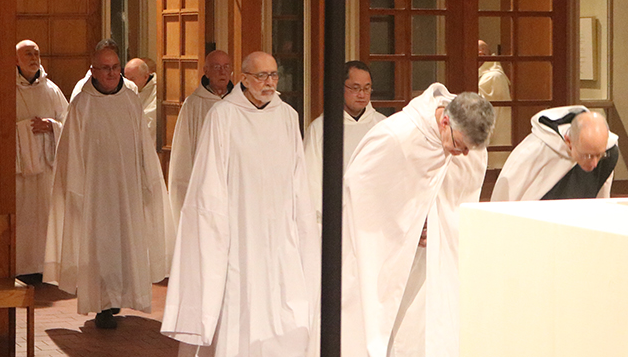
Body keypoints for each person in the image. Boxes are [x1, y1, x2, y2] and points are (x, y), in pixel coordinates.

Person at [161, 51, 320, 357]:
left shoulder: (287, 116)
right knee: (240, 299)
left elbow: (298, 177)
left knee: (284, 304)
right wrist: (217, 231)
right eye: (261, 76)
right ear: (244, 79)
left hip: (279, 233)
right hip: (239, 232)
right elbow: (210, 181)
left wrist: (301, 225)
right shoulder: (223, 116)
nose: (269, 83)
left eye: (274, 75)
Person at [342, 84, 494, 357]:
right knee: (398, 331)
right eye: (459, 146)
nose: (463, 155)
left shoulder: (468, 147)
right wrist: (408, 221)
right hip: (397, 252)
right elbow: (360, 186)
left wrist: (442, 222)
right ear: (444, 121)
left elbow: (462, 197)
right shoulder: (399, 134)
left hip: (442, 253)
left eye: (470, 149)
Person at [44, 39, 172, 330]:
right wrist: (77, 190)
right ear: (93, 71)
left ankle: (120, 297)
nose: (113, 73)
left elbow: (143, 141)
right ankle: (102, 303)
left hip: (126, 186)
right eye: (106, 68)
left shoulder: (129, 97)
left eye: (116, 67)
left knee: (125, 243)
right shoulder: (81, 103)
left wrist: (146, 179)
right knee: (101, 246)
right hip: (95, 189)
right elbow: (70, 153)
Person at [302, 60, 386, 226]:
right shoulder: (321, 129)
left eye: (366, 88)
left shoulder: (383, 127)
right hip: (337, 221)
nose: (362, 94)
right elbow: (310, 181)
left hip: (376, 219)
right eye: (355, 88)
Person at [15, 40, 69, 282]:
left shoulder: (52, 90)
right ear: (16, 60)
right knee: (23, 216)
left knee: (47, 215)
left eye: (36, 53)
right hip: (20, 167)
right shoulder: (8, 88)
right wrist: (23, 130)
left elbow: (68, 124)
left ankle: (45, 267)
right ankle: (22, 267)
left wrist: (50, 126)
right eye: (27, 53)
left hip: (47, 165)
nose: (33, 57)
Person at [491, 107, 619, 202]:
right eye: (588, 156)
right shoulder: (534, 151)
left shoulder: (609, 152)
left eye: (599, 155)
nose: (594, 164)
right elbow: (502, 203)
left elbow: (601, 203)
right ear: (568, 141)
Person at [166, 49, 234, 226]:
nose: (222, 72)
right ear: (206, 71)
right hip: (205, 185)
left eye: (226, 67)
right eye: (217, 67)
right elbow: (183, 151)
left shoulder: (240, 104)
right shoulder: (194, 104)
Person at [478, 40, 512, 151]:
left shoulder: (492, 78)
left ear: (481, 54)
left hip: (494, 146)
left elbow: (488, 116)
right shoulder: (487, 75)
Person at [124, 57, 158, 148]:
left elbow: (150, 120)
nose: (128, 83)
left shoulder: (158, 90)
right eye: (126, 78)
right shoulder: (126, 88)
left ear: (146, 76)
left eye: (132, 79)